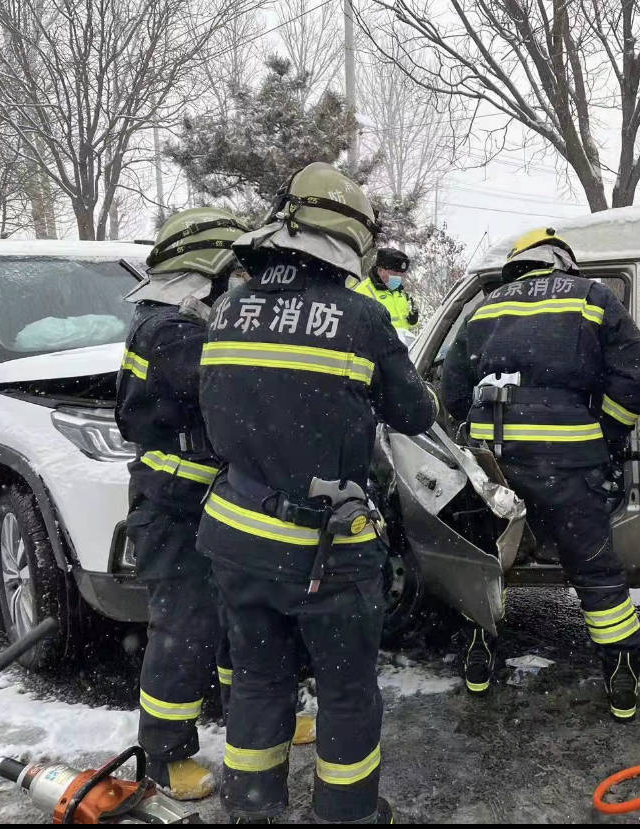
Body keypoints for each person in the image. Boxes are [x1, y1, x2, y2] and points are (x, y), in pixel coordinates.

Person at [197, 162, 438, 823]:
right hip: (324, 549)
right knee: (346, 690)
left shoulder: (228, 310)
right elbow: (414, 415)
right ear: (350, 241)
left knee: (257, 678)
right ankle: (345, 810)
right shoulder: (360, 318)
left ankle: (251, 804)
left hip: (238, 536)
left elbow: (216, 413)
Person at [441, 227, 640, 720]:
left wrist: (470, 435)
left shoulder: (487, 306)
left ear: (519, 262)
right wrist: (606, 436)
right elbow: (633, 377)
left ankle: (478, 656)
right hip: (569, 462)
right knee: (594, 566)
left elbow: (454, 387)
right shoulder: (593, 297)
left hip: (494, 461)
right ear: (563, 263)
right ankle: (620, 673)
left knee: (487, 560)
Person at [116, 207, 250, 800]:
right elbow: (238, 383)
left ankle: (244, 711)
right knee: (186, 626)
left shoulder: (179, 322)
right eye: (236, 273)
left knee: (238, 612)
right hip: (175, 506)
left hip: (210, 499)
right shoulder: (171, 331)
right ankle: (163, 755)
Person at [354, 247, 419, 338]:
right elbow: (355, 330)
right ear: (380, 270)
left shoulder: (401, 293)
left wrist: (413, 321)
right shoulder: (363, 292)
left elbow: (404, 325)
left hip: (401, 348)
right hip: (377, 350)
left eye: (401, 275)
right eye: (394, 274)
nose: (398, 278)